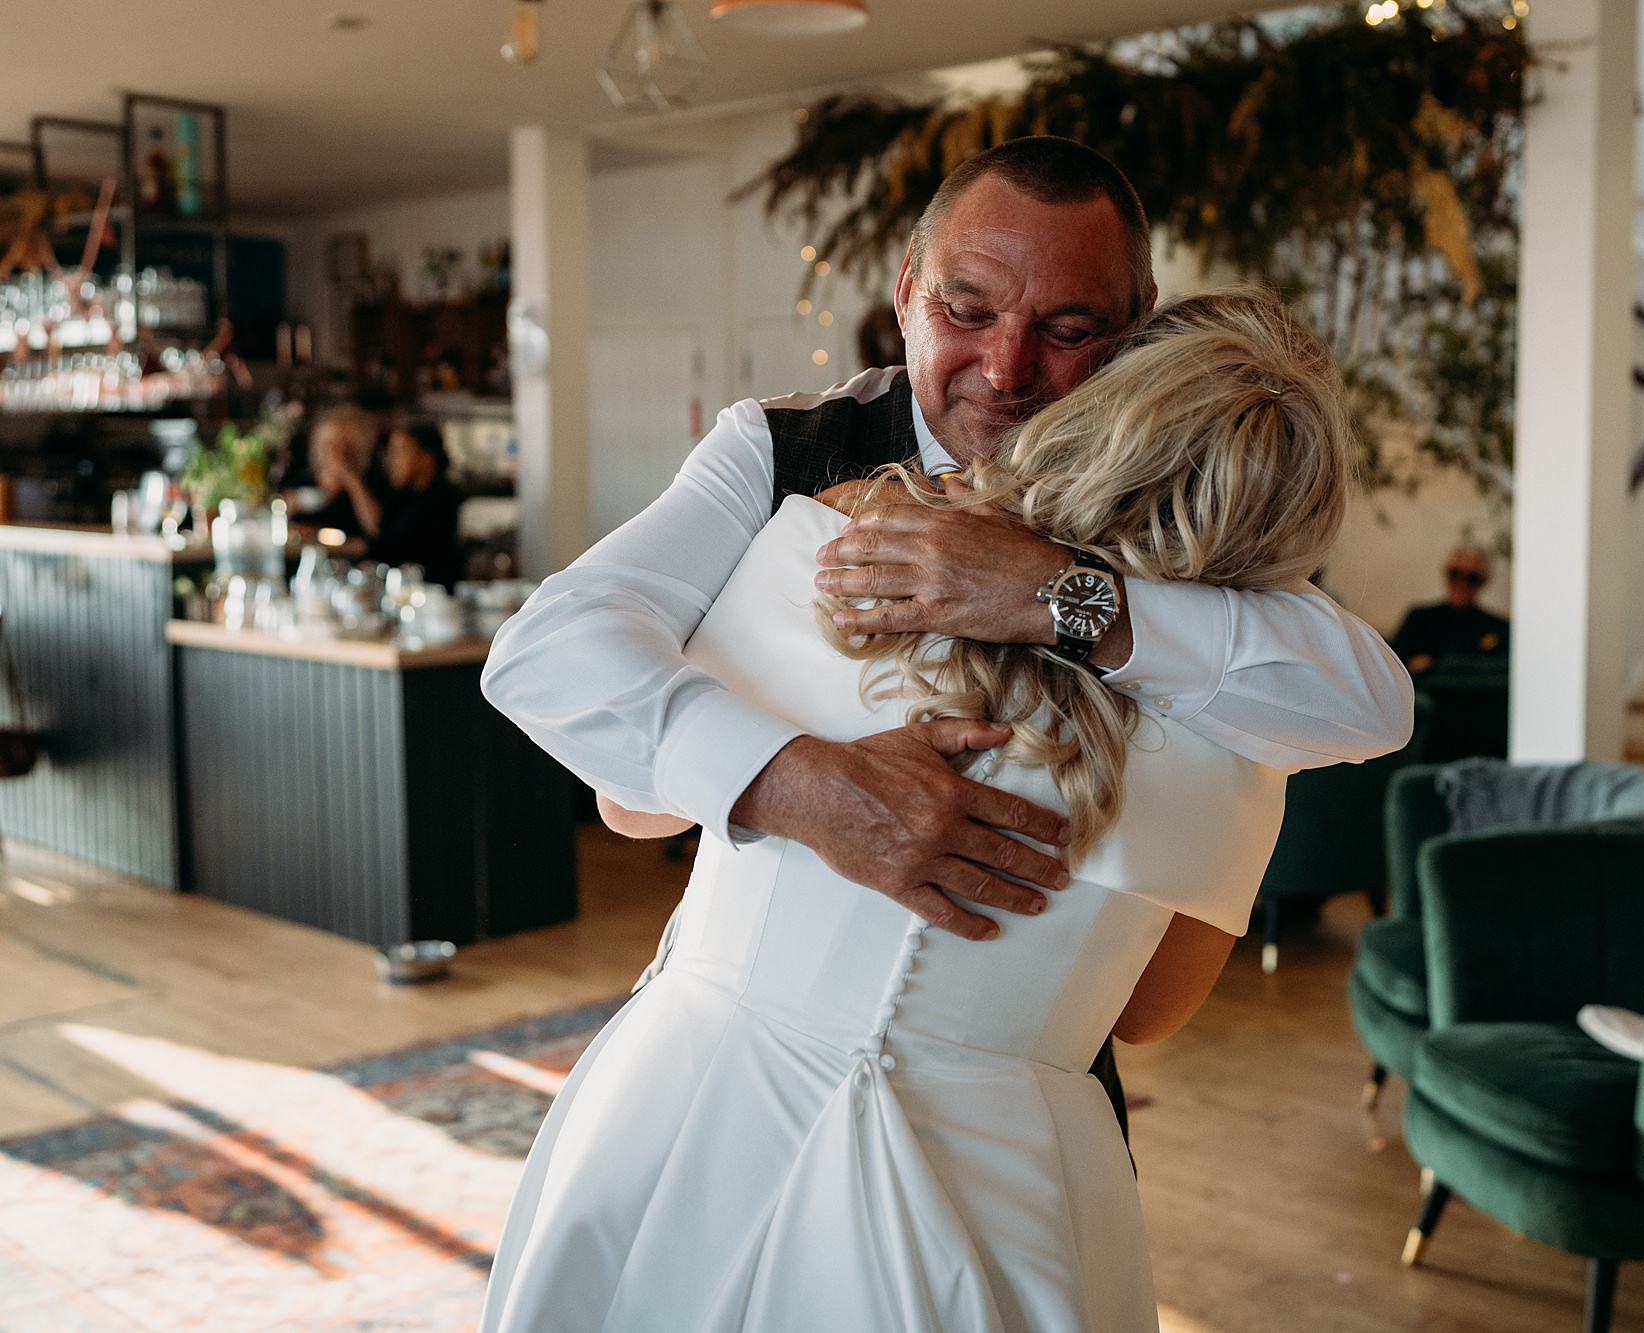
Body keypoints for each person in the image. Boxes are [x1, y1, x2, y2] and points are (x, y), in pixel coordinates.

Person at [480, 288, 1389, 1333]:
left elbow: (627, 802)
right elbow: (1146, 1013)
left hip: (698, 1100)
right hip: (1005, 1170)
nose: (1008, 364)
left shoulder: (842, 538)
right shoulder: (1254, 733)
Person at [481, 136, 1410, 1142]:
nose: (1005, 367)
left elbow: (1370, 703)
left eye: (1065, 327)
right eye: (965, 311)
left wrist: (1056, 596)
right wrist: (811, 788)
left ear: (1132, 330)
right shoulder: (781, 455)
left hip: (1020, 1105)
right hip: (749, 1077)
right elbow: (555, 667)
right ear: (906, 290)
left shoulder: (1182, 524)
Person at [368, 420, 464, 586]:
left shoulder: (441, 497)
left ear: (426, 456)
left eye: (400, 451)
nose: (391, 461)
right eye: (390, 453)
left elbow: (388, 542)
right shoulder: (404, 495)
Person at [1389, 545, 1510, 674]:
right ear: (1446, 574)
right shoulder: (1419, 618)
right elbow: (1392, 666)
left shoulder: (1498, 627)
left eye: (1472, 578)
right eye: (1455, 574)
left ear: (1483, 582)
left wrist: (1436, 663)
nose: (1461, 583)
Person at [287, 405, 382, 539]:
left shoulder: (369, 485)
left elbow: (376, 529)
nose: (335, 453)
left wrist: (351, 478)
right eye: (330, 444)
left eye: (345, 447)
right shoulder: (299, 482)